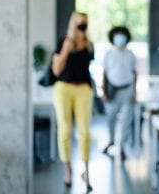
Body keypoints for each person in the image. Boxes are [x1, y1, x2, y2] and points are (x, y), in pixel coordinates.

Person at [52, 11, 94, 191]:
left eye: (84, 23)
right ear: (72, 24)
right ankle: (68, 169)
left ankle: (86, 170)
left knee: (84, 132)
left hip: (83, 89)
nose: (82, 27)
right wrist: (67, 49)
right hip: (63, 88)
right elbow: (56, 70)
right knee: (65, 130)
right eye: (79, 23)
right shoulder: (63, 42)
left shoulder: (89, 45)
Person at [101, 26, 138, 160]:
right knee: (110, 118)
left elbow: (135, 74)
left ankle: (121, 147)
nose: (120, 39)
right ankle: (111, 141)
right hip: (112, 91)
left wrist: (135, 92)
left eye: (122, 36)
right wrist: (103, 92)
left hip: (127, 90)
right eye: (117, 36)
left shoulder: (131, 54)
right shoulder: (108, 54)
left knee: (126, 121)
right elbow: (104, 74)